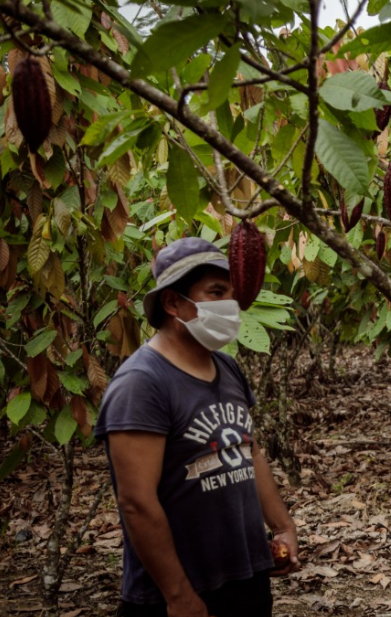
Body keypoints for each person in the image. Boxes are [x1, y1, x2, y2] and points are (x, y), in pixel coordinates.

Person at [94, 237, 301, 617]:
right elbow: (136, 503)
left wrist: (283, 526)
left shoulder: (227, 367)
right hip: (175, 593)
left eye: (232, 293)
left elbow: (248, 452)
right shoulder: (141, 384)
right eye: (216, 292)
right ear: (173, 302)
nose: (230, 305)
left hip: (245, 578)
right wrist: (178, 595)